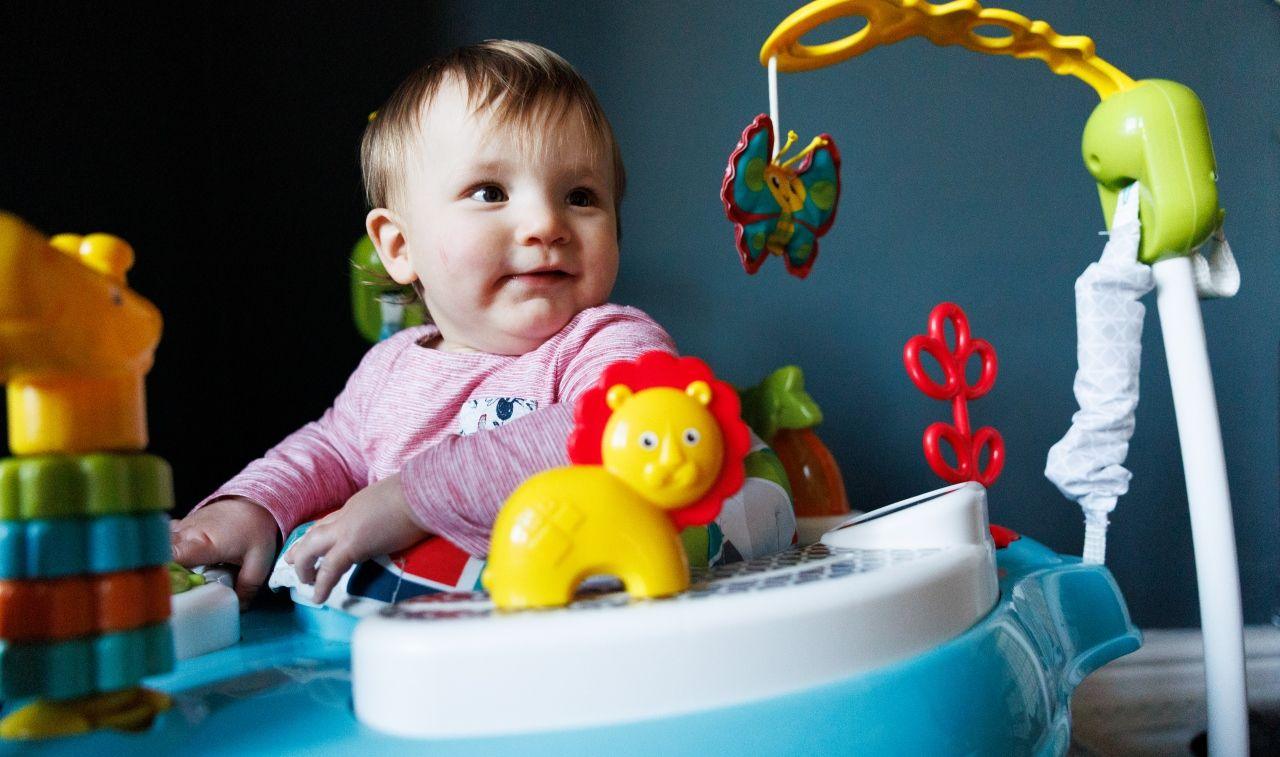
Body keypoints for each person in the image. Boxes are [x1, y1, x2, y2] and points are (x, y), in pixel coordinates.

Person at [170, 40, 794, 608]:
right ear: (398, 244)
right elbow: (328, 451)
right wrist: (252, 507)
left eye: (580, 195)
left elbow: (619, 429)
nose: (546, 222)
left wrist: (413, 497)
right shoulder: (389, 370)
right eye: (490, 192)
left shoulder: (609, 341)